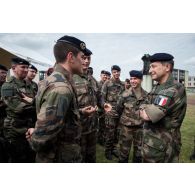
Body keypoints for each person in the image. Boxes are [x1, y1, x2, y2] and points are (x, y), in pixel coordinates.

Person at [26, 35, 95, 163]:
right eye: (81, 57)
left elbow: (60, 117)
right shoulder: (61, 89)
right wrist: (34, 135)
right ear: (70, 57)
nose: (84, 62)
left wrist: (81, 112)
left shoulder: (56, 79)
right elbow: (40, 140)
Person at [139, 53, 187, 163]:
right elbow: (141, 105)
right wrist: (145, 106)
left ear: (167, 67)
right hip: (151, 144)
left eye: (153, 66)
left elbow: (147, 116)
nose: (150, 70)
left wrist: (144, 107)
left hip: (163, 149)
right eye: (150, 67)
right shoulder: (157, 87)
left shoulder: (174, 89)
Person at [105, 70, 148, 162]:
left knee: (138, 154)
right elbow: (118, 110)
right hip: (126, 129)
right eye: (131, 79)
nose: (132, 81)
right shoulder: (124, 95)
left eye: (135, 79)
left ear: (141, 80)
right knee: (123, 153)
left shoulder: (146, 96)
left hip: (140, 129)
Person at [1, 57, 36, 162]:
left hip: (29, 128)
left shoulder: (30, 86)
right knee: (16, 158)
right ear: (14, 68)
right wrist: (36, 104)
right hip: (15, 130)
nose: (26, 70)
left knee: (29, 156)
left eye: (27, 67)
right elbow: (18, 108)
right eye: (23, 67)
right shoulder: (8, 86)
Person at [73, 48, 98, 162]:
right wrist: (82, 111)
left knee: (91, 158)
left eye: (89, 58)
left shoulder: (92, 79)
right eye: (84, 58)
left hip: (92, 127)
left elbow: (99, 96)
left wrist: (103, 104)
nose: (87, 61)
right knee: (79, 158)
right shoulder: (71, 77)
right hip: (79, 128)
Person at [102, 65, 125, 160]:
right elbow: (102, 97)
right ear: (112, 72)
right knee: (110, 133)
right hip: (110, 113)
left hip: (119, 113)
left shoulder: (122, 84)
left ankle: (114, 149)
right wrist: (105, 105)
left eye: (118, 72)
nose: (116, 73)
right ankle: (107, 151)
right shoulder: (107, 83)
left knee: (117, 133)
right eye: (114, 72)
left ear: (120, 72)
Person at [0, 64, 8, 162]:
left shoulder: (5, 86)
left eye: (5, 73)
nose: (4, 75)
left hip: (5, 122)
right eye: (1, 73)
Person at [97, 70, 108, 145]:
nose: (105, 76)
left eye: (106, 75)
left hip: (105, 107)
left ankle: (102, 138)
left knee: (104, 125)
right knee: (100, 125)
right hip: (100, 109)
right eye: (103, 75)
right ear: (101, 76)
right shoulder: (98, 84)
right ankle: (100, 139)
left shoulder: (106, 84)